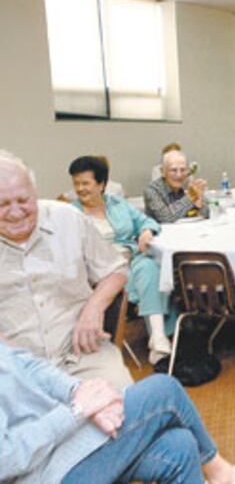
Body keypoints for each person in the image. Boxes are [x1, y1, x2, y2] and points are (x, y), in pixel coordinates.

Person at [0, 340, 235, 484]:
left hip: (61, 449)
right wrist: (77, 411)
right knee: (163, 390)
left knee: (180, 446)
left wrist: (79, 392)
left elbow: (26, 364)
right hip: (43, 475)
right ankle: (222, 474)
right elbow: (6, 458)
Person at [0, 150, 133, 389]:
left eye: (23, 200)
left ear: (34, 191)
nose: (16, 212)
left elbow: (117, 269)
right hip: (13, 367)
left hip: (81, 352)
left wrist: (94, 307)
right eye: (2, 204)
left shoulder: (68, 218)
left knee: (123, 406)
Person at [69, 155, 173, 365]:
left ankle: (158, 337)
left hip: (130, 259)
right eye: (76, 183)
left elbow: (147, 221)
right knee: (149, 276)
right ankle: (160, 336)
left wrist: (145, 231)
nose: (80, 189)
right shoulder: (71, 214)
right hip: (100, 272)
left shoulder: (117, 204)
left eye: (85, 183)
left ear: (102, 184)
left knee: (149, 265)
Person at [144, 150, 209, 223]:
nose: (179, 175)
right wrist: (190, 198)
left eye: (183, 170)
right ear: (163, 172)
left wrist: (199, 202)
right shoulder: (152, 190)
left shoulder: (187, 185)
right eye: (174, 170)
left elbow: (205, 215)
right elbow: (165, 218)